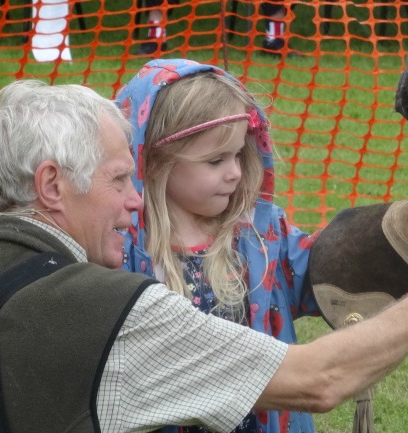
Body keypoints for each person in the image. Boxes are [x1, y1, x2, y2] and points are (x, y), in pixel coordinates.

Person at [0, 78, 408, 433]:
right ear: (52, 185)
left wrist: (385, 236)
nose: (131, 197)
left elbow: (313, 267)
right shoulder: (108, 299)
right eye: (121, 177)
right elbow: (320, 380)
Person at [116, 59, 322, 433]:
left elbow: (317, 270)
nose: (236, 172)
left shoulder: (259, 232)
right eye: (216, 160)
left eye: (239, 155)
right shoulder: (122, 248)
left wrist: (372, 241)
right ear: (157, 161)